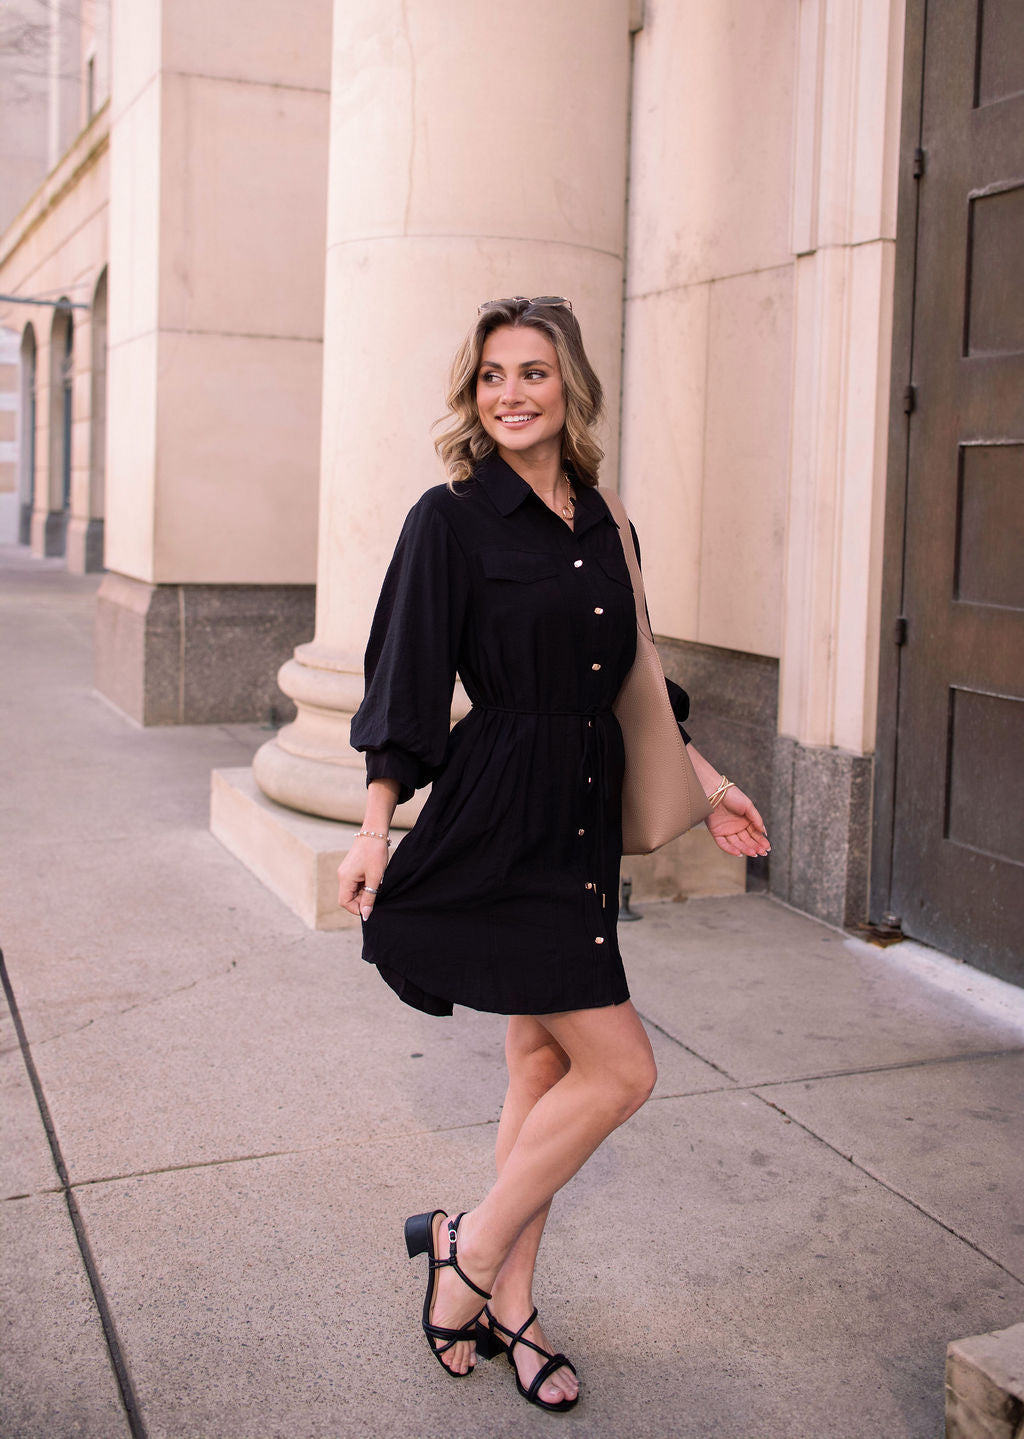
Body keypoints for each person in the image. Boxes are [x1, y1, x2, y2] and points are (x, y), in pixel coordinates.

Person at [337, 296, 769, 1413]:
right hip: (497, 813)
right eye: (491, 375)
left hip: (580, 811)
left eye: (532, 372)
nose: (510, 393)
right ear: (472, 392)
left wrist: (712, 784)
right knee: (622, 1069)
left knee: (542, 1068)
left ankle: (508, 1304)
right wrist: (378, 825)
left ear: (568, 388)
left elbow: (634, 686)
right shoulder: (449, 518)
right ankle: (465, 1249)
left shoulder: (607, 522)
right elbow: (407, 679)